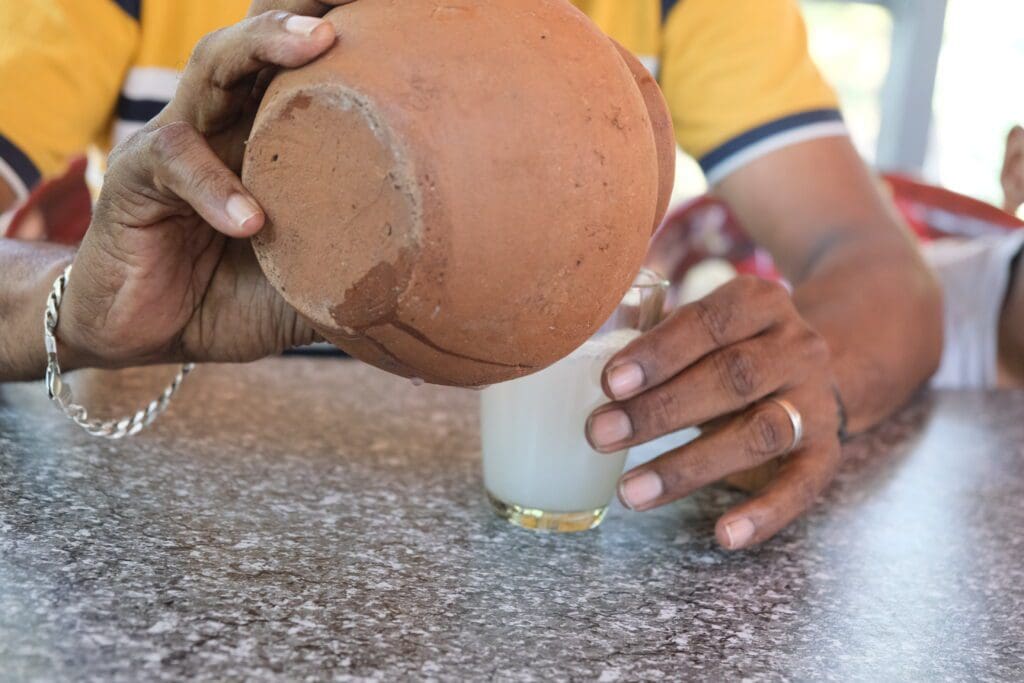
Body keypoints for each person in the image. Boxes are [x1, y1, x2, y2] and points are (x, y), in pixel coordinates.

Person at [0, 0, 942, 550]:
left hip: (548, 546)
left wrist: (806, 382)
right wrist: (81, 309)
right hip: (179, 542)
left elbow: (874, 268)